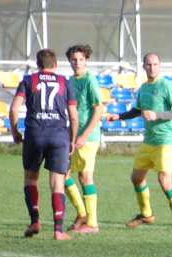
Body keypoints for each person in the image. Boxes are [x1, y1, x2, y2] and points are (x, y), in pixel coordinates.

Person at [105, 53, 172, 232]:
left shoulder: (166, 86)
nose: (152, 67)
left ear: (160, 65)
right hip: (149, 141)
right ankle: (147, 215)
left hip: (165, 141)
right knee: (136, 178)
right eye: (149, 65)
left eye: (155, 64)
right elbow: (137, 110)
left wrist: (157, 115)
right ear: (144, 66)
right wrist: (118, 116)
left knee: (164, 180)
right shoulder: (143, 88)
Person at [10, 49, 79, 241]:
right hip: (59, 136)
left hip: (35, 135)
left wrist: (15, 131)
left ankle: (35, 221)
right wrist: (72, 140)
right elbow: (74, 116)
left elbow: (14, 108)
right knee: (58, 182)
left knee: (31, 178)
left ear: (38, 65)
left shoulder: (28, 80)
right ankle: (58, 230)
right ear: (55, 65)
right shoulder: (65, 82)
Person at [65, 44, 104, 234]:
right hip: (73, 135)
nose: (77, 63)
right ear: (69, 61)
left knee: (86, 176)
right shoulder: (70, 81)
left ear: (86, 60)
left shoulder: (90, 81)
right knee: (64, 174)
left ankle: (93, 224)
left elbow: (99, 109)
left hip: (88, 137)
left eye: (81, 59)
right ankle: (82, 214)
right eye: (74, 59)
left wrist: (84, 135)